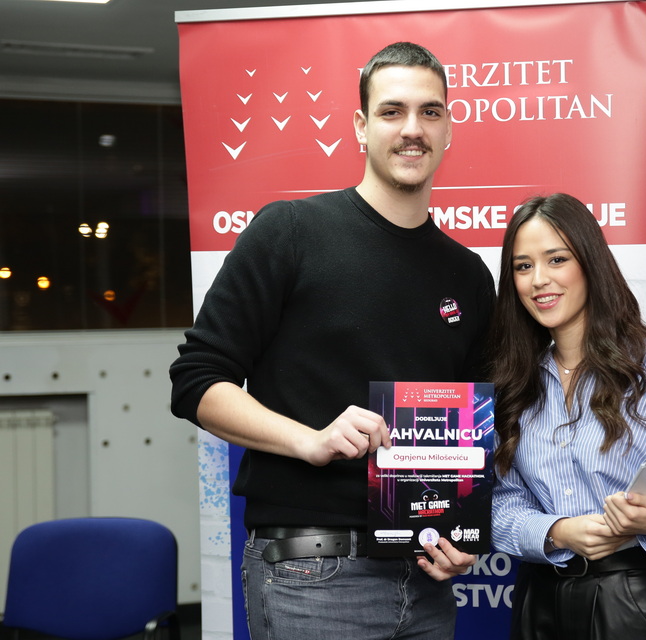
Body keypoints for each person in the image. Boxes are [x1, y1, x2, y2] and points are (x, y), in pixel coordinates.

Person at [170, 42, 494, 640]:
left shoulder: (468, 275)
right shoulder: (290, 233)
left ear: (448, 128)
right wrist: (309, 440)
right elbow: (196, 382)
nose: (412, 129)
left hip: (426, 581)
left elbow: (472, 428)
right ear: (361, 126)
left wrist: (461, 532)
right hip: (312, 576)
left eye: (430, 112)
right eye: (392, 111)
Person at [489, 193, 646, 640]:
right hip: (537, 605)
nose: (539, 279)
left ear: (590, 264)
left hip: (635, 604)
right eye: (523, 266)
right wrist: (558, 531)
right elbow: (501, 505)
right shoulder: (514, 384)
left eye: (557, 259)